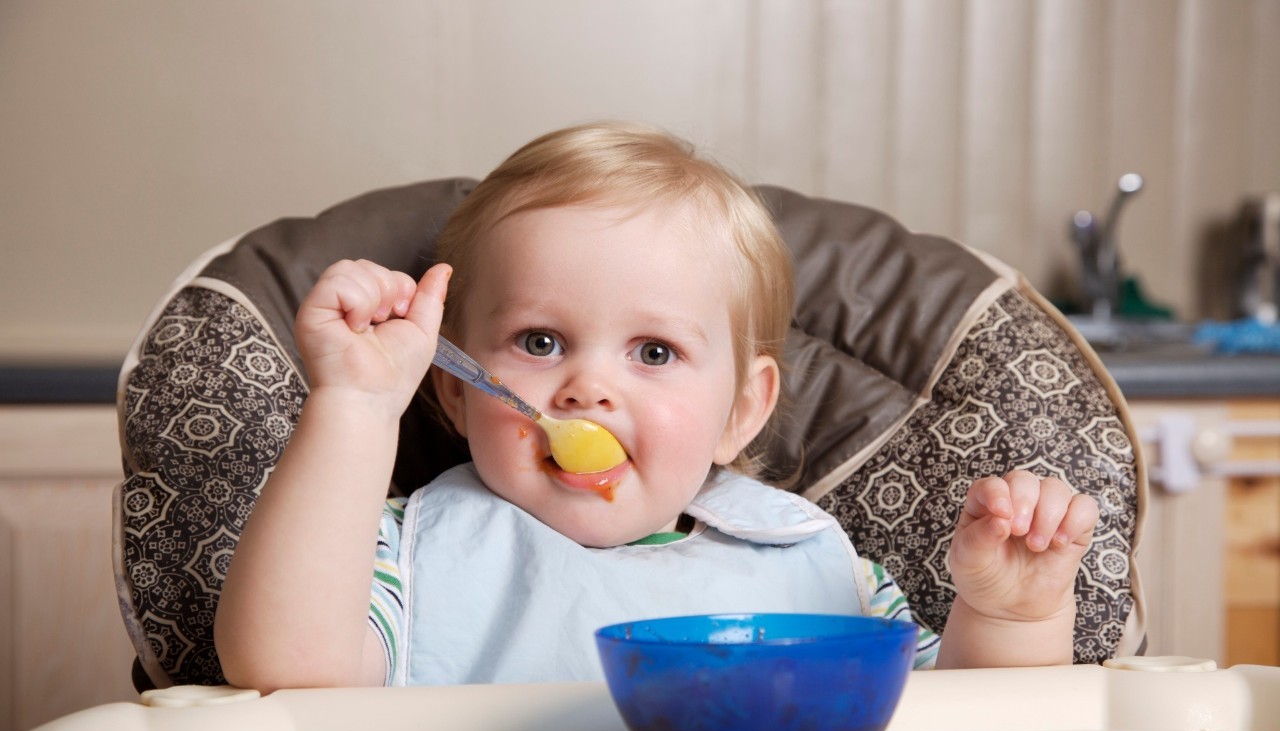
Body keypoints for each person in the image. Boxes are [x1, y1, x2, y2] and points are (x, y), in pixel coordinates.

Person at [215, 122, 1099, 692]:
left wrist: (1013, 619)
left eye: (654, 353)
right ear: (450, 386)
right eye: (540, 341)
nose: (589, 388)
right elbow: (287, 670)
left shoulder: (818, 572)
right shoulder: (407, 555)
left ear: (740, 412)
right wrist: (359, 404)